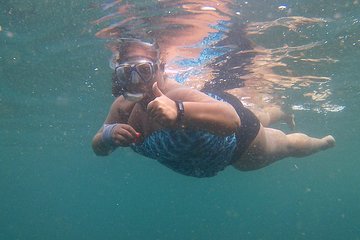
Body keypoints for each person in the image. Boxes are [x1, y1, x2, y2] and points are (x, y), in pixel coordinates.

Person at [92, 39, 335, 178]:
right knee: (259, 115)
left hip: (238, 144)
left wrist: (179, 112)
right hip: (209, 108)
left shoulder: (176, 94)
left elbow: (232, 119)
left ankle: (322, 142)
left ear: (161, 67)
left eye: (144, 70)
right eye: (127, 73)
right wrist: (108, 135)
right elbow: (98, 148)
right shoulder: (123, 107)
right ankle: (281, 111)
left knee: (285, 144)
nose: (137, 81)